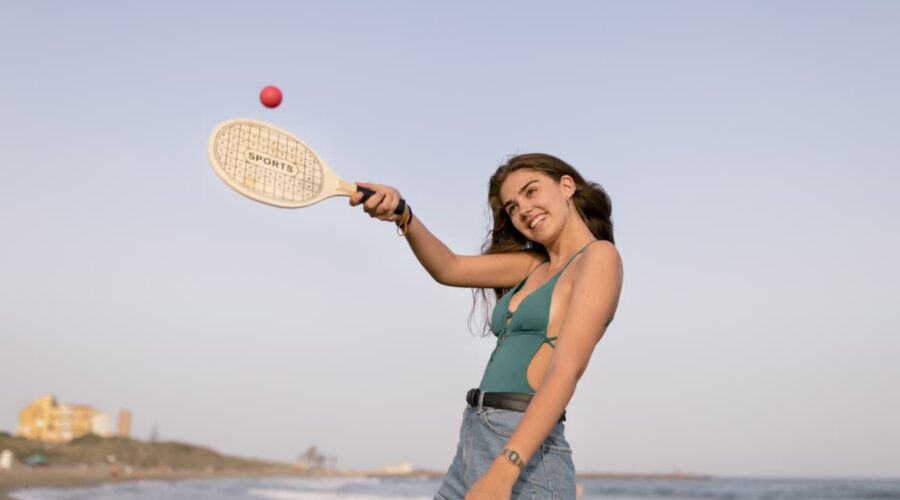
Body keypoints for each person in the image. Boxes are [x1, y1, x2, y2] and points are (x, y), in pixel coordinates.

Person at [350, 153, 623, 500]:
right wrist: (403, 214)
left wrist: (504, 469)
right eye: (511, 206)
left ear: (566, 186)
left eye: (531, 191)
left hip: (524, 455)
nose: (523, 209)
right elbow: (449, 268)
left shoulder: (598, 258)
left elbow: (565, 370)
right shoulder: (531, 265)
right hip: (474, 439)